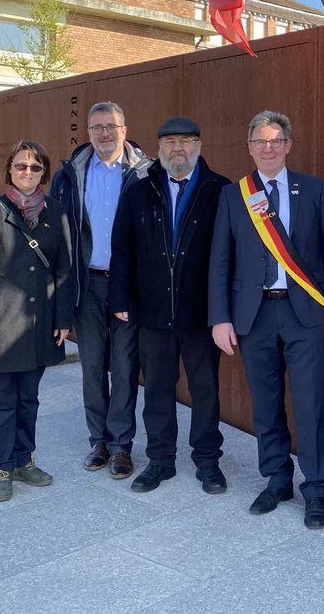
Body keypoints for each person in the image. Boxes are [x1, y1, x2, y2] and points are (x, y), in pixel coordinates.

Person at [209, 110, 324, 529]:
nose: (267, 148)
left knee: (310, 402)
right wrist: (220, 317)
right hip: (253, 315)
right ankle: (277, 479)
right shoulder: (234, 195)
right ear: (249, 147)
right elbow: (220, 261)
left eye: (275, 141)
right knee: (266, 402)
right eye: (260, 142)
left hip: (305, 313)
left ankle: (316, 488)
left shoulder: (313, 189)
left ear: (288, 145)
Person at [109, 117, 231, 493]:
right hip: (153, 310)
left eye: (186, 141)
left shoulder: (220, 190)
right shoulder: (139, 191)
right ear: (160, 147)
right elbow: (122, 247)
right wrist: (120, 297)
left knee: (205, 390)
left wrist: (224, 310)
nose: (178, 148)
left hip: (201, 312)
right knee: (157, 389)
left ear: (199, 144)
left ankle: (207, 461)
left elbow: (230, 254)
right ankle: (160, 461)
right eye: (170, 141)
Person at [0, 140, 73, 502]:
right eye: (21, 166)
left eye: (35, 167)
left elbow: (64, 270)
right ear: (9, 170)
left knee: (29, 398)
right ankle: (2, 468)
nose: (28, 172)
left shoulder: (56, 211)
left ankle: (25, 460)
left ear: (45, 172)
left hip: (38, 324)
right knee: (2, 402)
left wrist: (62, 318)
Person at [49, 102, 152, 480]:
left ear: (125, 129)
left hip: (128, 285)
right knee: (92, 365)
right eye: (97, 127)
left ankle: (122, 445)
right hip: (86, 283)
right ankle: (100, 441)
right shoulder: (70, 174)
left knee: (124, 367)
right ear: (89, 133)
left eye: (111, 126)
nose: (105, 133)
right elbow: (57, 235)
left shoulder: (145, 173)